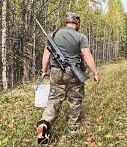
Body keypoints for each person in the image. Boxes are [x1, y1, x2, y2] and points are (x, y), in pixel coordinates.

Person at [36, 12, 100, 144]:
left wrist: (44, 71)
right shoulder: (80, 36)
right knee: (75, 99)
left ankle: (44, 126)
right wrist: (95, 73)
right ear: (77, 23)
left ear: (66, 22)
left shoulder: (54, 35)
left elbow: (46, 54)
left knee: (54, 99)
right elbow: (86, 55)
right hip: (73, 73)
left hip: (55, 71)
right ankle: (73, 127)